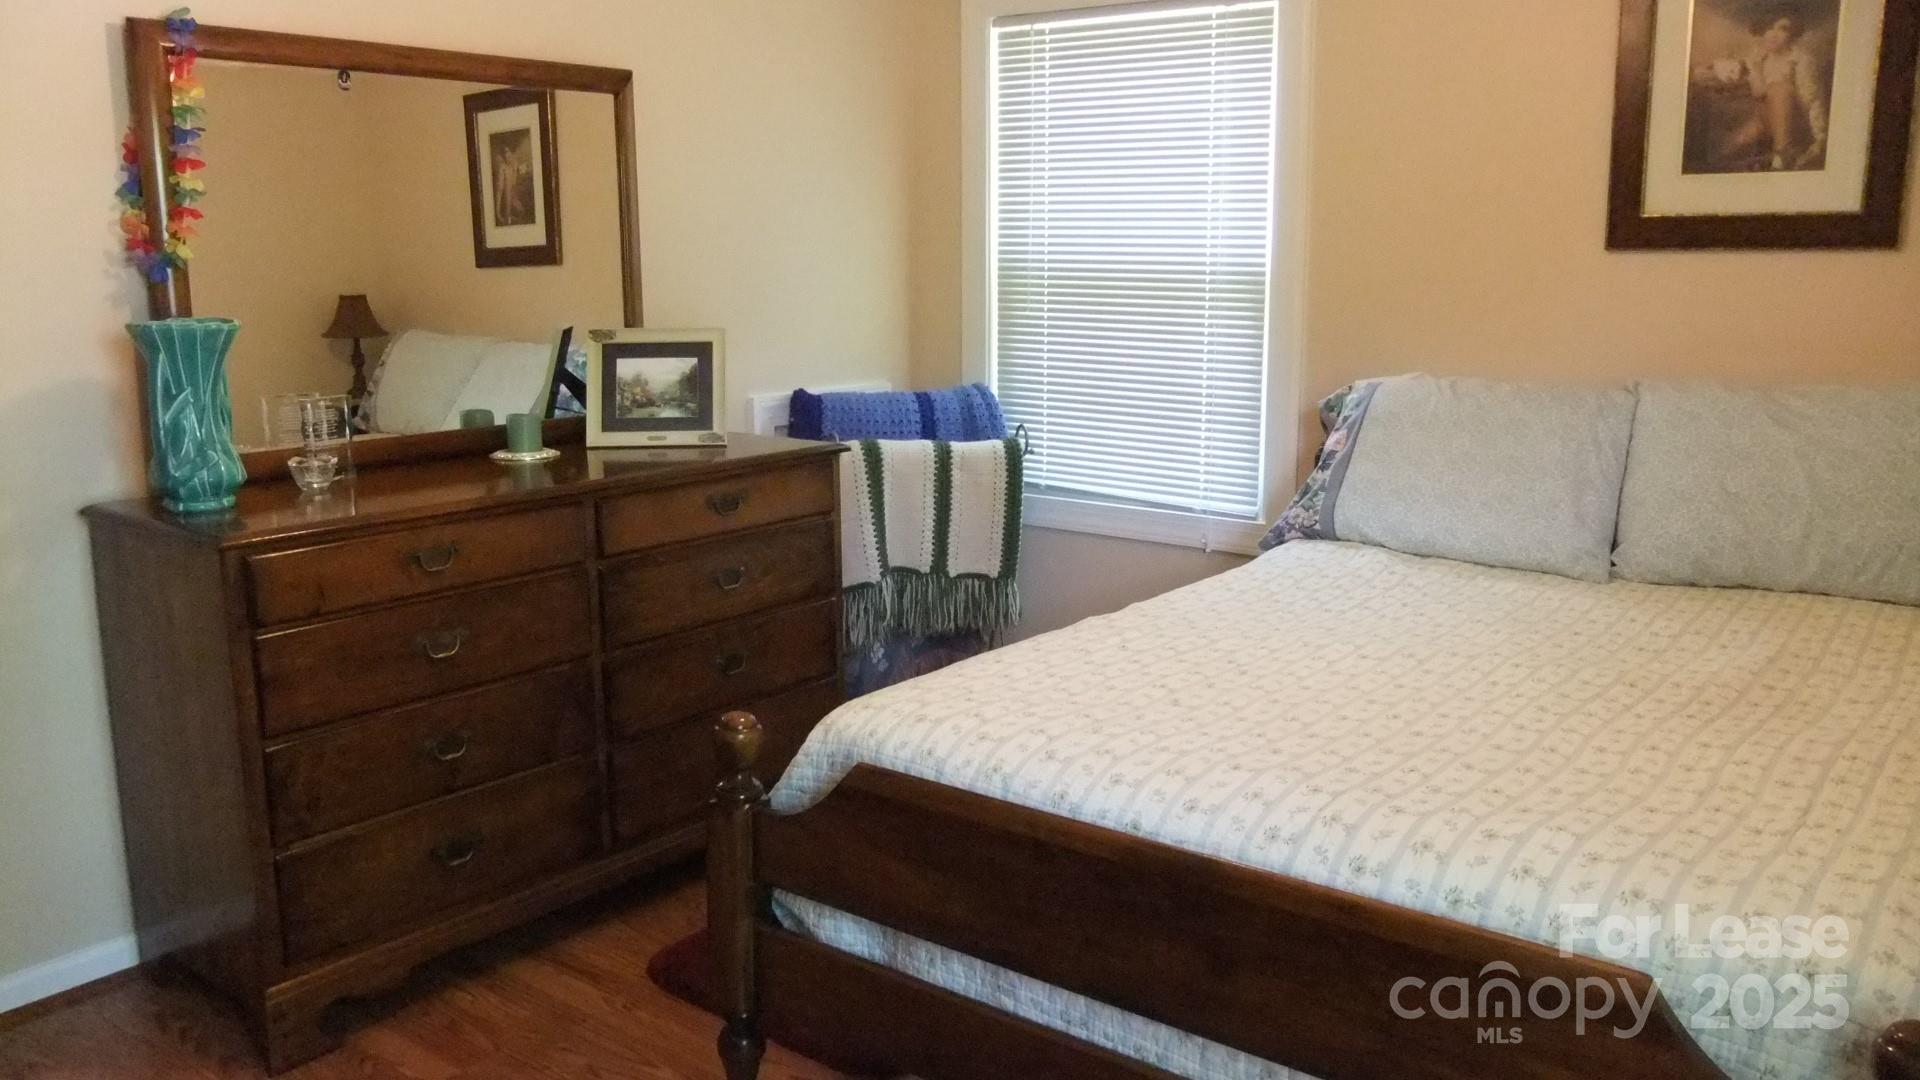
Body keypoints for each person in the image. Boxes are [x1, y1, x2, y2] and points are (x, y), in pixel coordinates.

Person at [1692, 8, 1830, 171]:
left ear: (1792, 34)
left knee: (1779, 89)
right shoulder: (1758, 58)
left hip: (1796, 121)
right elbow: (1757, 91)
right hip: (1766, 120)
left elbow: (1812, 101)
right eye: (1768, 28)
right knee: (1727, 147)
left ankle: (1783, 152)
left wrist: (1821, 138)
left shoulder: (1800, 60)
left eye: (1783, 29)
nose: (1773, 34)